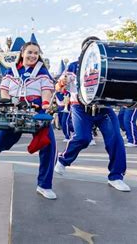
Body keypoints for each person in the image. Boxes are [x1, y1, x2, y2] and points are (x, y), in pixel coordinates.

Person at [0, 42, 58, 200]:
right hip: (14, 109)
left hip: (36, 111)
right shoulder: (12, 70)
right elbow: (4, 89)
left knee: (48, 144)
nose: (33, 56)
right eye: (30, 52)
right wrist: (6, 103)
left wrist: (44, 107)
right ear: (22, 53)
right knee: (4, 140)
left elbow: (46, 91)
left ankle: (44, 185)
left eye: (36, 53)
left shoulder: (42, 72)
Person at [55, 36, 130, 192]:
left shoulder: (108, 65)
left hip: (104, 108)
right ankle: (63, 160)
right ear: (83, 50)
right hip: (81, 108)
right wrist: (62, 82)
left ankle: (116, 177)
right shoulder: (74, 66)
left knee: (116, 138)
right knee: (83, 138)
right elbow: (58, 87)